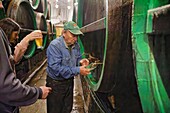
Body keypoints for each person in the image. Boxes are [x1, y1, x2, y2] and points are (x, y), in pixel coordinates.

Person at [0, 17, 52, 113]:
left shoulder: (6, 47)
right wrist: (38, 92)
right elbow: (7, 87)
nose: (17, 37)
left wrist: (27, 39)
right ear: (7, 32)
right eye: (15, 34)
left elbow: (13, 58)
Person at [46, 21, 90, 113]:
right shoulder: (55, 46)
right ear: (64, 33)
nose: (75, 38)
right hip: (56, 84)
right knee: (55, 110)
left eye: (77, 36)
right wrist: (78, 70)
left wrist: (81, 61)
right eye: (73, 35)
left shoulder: (76, 45)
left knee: (67, 108)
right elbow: (56, 69)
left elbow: (78, 58)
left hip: (69, 82)